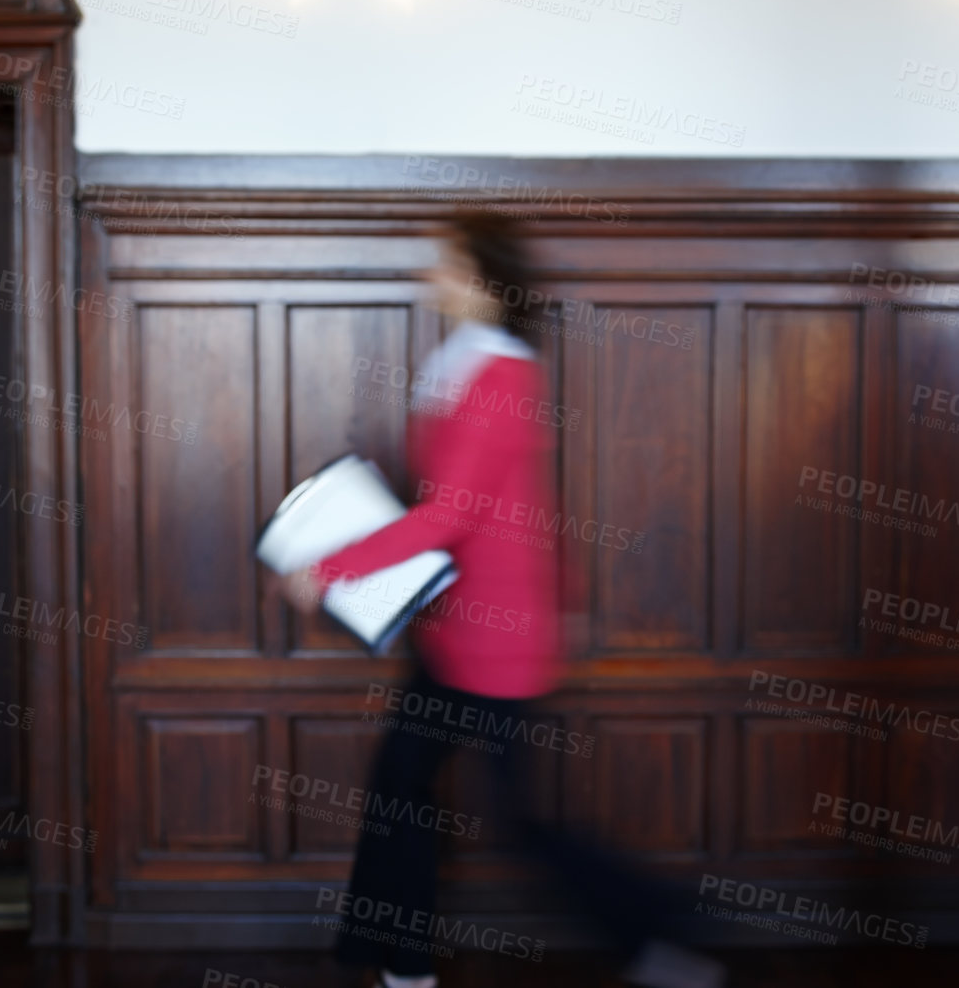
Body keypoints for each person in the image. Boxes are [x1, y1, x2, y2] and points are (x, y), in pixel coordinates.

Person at [273, 211, 724, 988]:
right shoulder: (467, 365)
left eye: (445, 262)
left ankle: (660, 929)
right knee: (401, 787)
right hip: (456, 633)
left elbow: (451, 513)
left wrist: (332, 567)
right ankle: (396, 962)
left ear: (481, 282)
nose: (431, 275)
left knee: (517, 822)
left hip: (495, 644)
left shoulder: (501, 375)